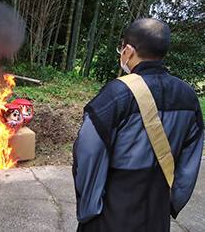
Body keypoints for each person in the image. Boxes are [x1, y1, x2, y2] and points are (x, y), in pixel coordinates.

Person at [72, 18, 204, 232]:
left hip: (112, 214)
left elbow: (88, 152)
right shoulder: (188, 97)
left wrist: (88, 208)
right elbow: (189, 164)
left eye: (121, 48)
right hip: (157, 214)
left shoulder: (117, 95)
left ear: (129, 50)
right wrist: (170, 203)